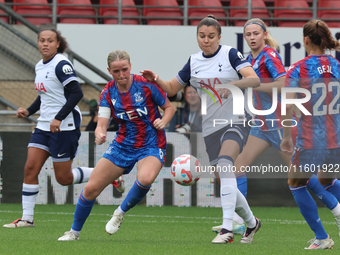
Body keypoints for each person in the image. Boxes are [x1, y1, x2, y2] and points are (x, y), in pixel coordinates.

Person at [212, 18, 340, 235]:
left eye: (256, 33)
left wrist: (251, 85)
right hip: (262, 125)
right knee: (236, 170)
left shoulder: (269, 55)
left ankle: (334, 212)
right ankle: (237, 220)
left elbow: (282, 83)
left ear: (264, 34)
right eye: (248, 34)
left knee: (303, 179)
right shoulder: (249, 60)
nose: (252, 37)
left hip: (280, 124)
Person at [141, 15, 261, 244]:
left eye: (211, 36)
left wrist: (232, 85)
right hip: (211, 127)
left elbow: (253, 80)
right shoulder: (193, 61)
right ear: (197, 37)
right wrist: (156, 79)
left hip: (237, 119)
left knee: (226, 164)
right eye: (202, 36)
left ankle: (227, 228)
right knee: (222, 177)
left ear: (219, 37)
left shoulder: (230, 54)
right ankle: (252, 223)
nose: (206, 40)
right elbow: (172, 89)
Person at [58, 49, 175, 241]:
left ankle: (119, 213)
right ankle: (74, 233)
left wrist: (164, 121)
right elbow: (101, 124)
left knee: (145, 178)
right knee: (90, 189)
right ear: (109, 71)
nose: (121, 75)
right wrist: (100, 134)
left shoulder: (145, 85)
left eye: (124, 70)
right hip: (123, 145)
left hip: (152, 143)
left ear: (130, 67)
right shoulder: (108, 92)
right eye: (116, 71)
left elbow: (168, 108)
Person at [2, 28, 94, 228]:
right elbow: (44, 95)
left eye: (50, 41)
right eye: (42, 40)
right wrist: (28, 111)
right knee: (30, 168)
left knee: (63, 178)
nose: (45, 44)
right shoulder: (39, 65)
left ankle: (105, 174)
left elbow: (76, 93)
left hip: (64, 126)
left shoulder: (61, 64)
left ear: (57, 44)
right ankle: (27, 219)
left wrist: (59, 118)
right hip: (44, 126)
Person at [281, 19, 340, 250]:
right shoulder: (336, 65)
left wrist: (286, 136)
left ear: (305, 40)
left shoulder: (298, 69)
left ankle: (323, 237)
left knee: (296, 183)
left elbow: (287, 106)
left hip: (311, 139)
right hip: (335, 137)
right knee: (326, 180)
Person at [85, 99, 125, 193]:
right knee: (64, 178)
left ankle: (112, 176)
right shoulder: (101, 117)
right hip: (105, 150)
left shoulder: (119, 117)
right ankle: (112, 177)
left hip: (120, 148)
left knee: (65, 178)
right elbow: (88, 131)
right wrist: (98, 115)